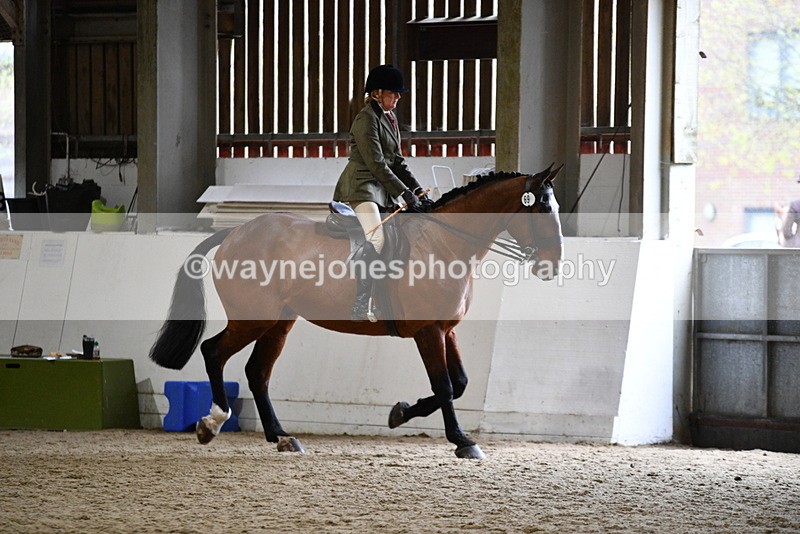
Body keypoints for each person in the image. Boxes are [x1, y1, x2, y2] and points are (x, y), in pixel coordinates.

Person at [332, 64, 432, 321]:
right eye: (393, 93)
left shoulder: (390, 118)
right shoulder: (366, 119)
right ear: (377, 93)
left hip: (381, 189)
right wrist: (403, 192)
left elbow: (397, 162)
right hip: (362, 187)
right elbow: (377, 164)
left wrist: (416, 190)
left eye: (399, 94)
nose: (398, 97)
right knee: (377, 239)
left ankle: (384, 295)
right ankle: (361, 302)